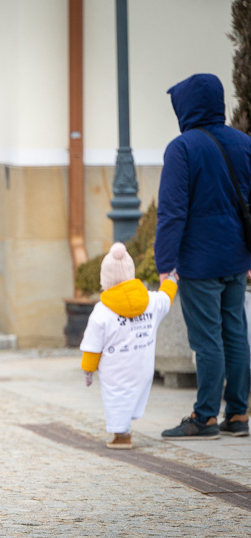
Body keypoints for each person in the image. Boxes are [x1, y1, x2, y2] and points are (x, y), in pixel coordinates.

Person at [155, 73, 251, 440]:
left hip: (199, 262)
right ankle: (239, 415)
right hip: (236, 259)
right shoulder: (244, 143)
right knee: (236, 333)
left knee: (208, 339)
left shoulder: (183, 148)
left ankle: (206, 417)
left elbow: (172, 211)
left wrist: (165, 263)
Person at [80, 243, 177, 449]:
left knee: (116, 397)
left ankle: (122, 435)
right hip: (142, 366)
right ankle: (127, 424)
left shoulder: (102, 311)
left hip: (115, 368)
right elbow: (166, 297)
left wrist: (88, 370)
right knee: (135, 392)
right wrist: (172, 279)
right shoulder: (150, 301)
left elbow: (92, 347)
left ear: (104, 279)